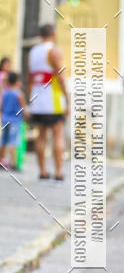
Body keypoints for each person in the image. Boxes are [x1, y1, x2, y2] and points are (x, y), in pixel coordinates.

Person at [28, 24, 69, 180]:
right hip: (53, 99)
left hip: (38, 99)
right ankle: (58, 172)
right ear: (53, 33)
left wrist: (30, 98)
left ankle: (42, 171)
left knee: (41, 136)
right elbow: (61, 77)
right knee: (57, 134)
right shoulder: (54, 50)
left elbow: (30, 78)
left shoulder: (33, 52)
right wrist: (67, 99)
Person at [0, 71, 26, 171]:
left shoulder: (5, 93)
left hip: (5, 119)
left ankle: (2, 161)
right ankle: (13, 163)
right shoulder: (19, 94)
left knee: (3, 141)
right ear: (17, 81)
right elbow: (23, 108)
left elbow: (1, 106)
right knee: (13, 142)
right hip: (15, 120)